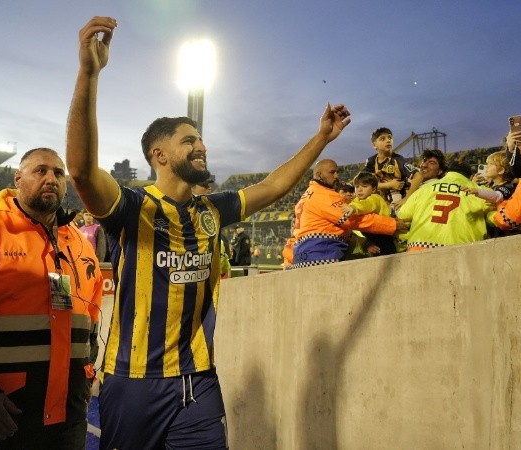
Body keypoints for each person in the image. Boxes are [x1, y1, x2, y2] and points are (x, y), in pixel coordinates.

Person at [65, 16, 353, 449]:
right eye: (188, 141)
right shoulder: (133, 207)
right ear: (159, 155)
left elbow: (274, 186)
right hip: (134, 382)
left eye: (200, 138)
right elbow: (83, 171)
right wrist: (89, 74)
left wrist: (321, 140)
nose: (201, 145)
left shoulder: (211, 210)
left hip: (197, 381)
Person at [0, 148, 103, 449]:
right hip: (4, 413)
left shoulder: (77, 243)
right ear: (18, 178)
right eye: (40, 171)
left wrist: (88, 372)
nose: (51, 178)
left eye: (58, 173)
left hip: (69, 413)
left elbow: (90, 319)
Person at [289, 159, 404, 268]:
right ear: (319, 175)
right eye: (332, 172)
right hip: (321, 253)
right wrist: (392, 224)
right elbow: (351, 219)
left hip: (303, 255)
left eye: (337, 172)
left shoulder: (306, 195)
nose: (336, 176)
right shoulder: (324, 195)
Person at [397, 163, 495, 252]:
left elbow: (403, 219)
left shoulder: (423, 189)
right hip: (462, 250)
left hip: (419, 248)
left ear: (447, 173)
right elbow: (496, 218)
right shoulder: (480, 191)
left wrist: (402, 247)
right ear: (470, 177)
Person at [359, 127, 422, 209]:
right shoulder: (371, 161)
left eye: (390, 138)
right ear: (374, 145)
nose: (388, 140)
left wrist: (406, 199)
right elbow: (361, 181)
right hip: (380, 201)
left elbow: (419, 176)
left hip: (397, 202)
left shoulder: (398, 160)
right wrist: (388, 185)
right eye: (382, 139)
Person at [341, 172, 394, 256]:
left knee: (387, 254)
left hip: (383, 234)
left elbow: (367, 205)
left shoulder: (375, 198)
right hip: (371, 235)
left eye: (364, 186)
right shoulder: (356, 201)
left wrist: (354, 209)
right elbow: (354, 205)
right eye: (357, 186)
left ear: (373, 189)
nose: (359, 189)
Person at [192, 182, 231, 278]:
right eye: (204, 186)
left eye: (209, 186)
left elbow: (225, 263)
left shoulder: (215, 208)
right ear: (191, 188)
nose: (209, 188)